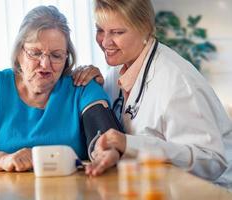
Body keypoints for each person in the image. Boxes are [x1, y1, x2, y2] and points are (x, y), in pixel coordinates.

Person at [74, 0, 232, 185]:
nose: (105, 41)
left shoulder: (178, 81)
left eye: (117, 32)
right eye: (100, 30)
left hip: (210, 191)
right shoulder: (115, 73)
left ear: (145, 29)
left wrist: (129, 144)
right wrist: (93, 85)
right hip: (153, 185)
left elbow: (212, 161)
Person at [0, 5, 111, 172]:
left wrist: (105, 153)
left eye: (56, 55)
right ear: (19, 53)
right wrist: (3, 160)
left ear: (66, 58)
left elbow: (106, 140)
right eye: (35, 53)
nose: (45, 64)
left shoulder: (81, 85)